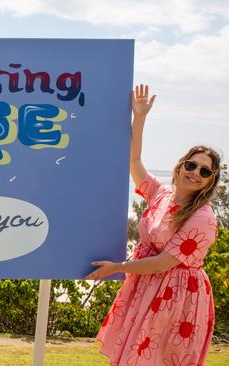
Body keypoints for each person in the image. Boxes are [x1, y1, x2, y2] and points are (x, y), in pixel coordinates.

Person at [85, 85, 220, 365]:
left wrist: (118, 267)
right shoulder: (161, 194)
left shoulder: (203, 217)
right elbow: (133, 161)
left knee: (153, 359)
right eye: (192, 165)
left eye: (205, 171)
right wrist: (140, 117)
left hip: (177, 294)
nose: (196, 173)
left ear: (210, 180)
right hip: (148, 285)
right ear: (181, 166)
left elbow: (161, 263)